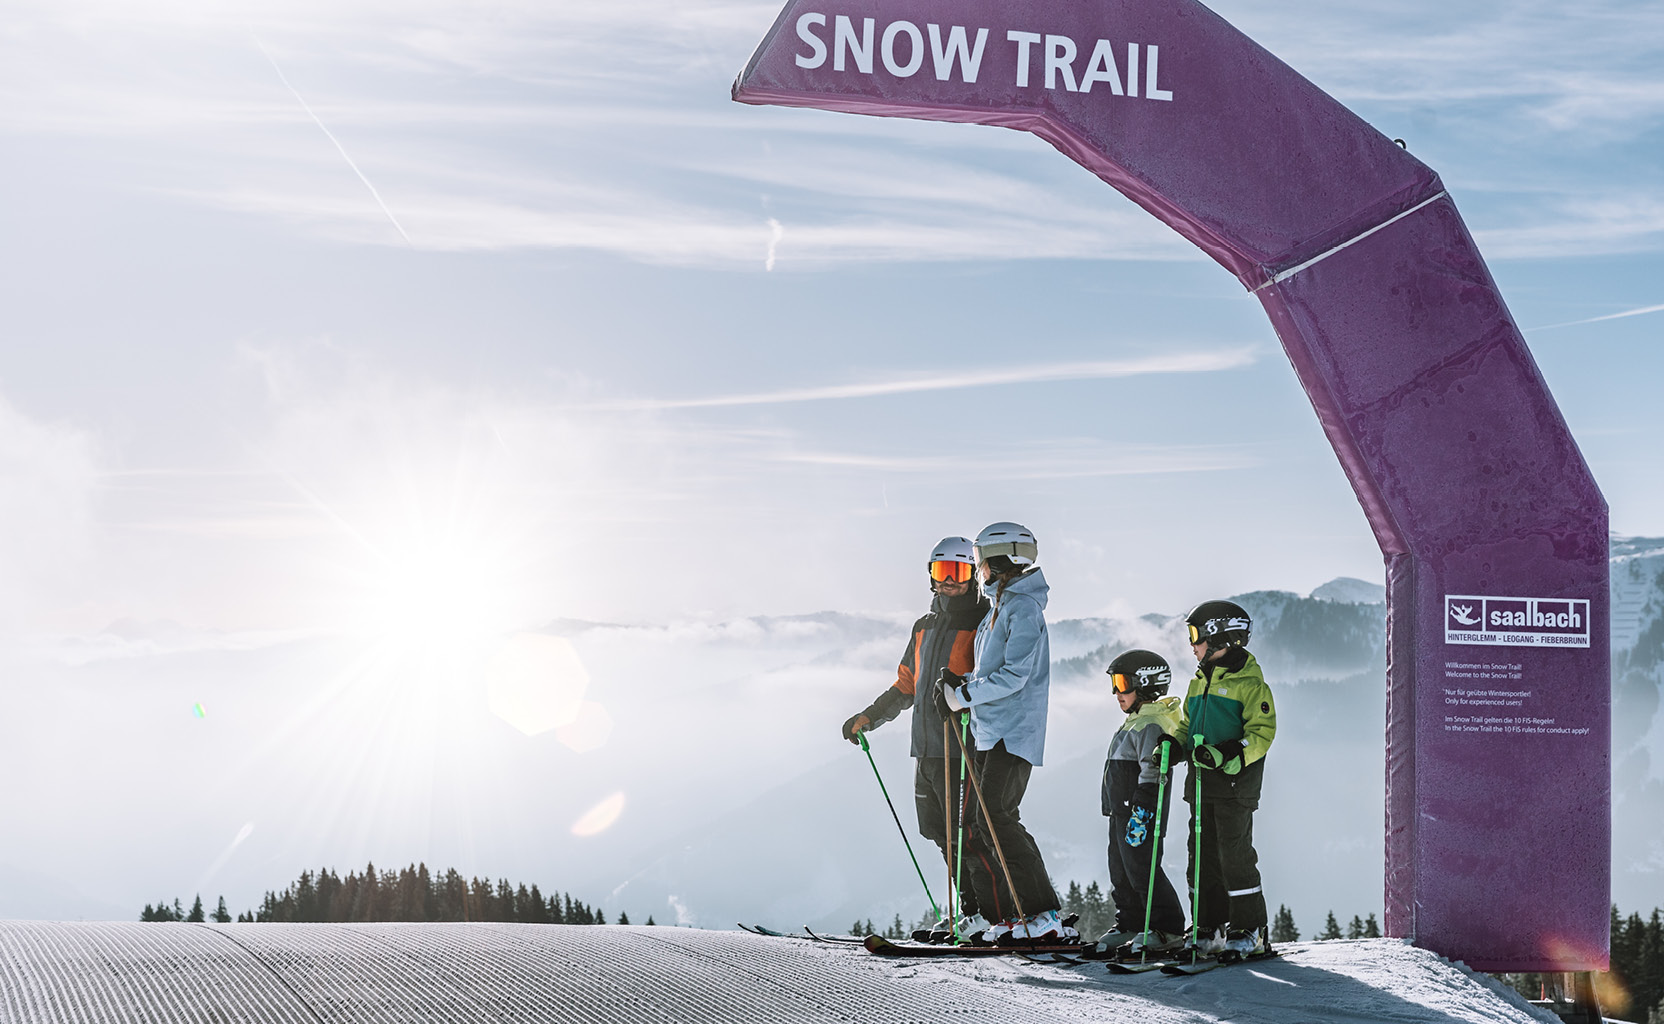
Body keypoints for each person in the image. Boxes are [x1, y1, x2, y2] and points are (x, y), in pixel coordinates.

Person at [842, 536, 993, 940]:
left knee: (969, 835)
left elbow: (988, 685)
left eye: (957, 573)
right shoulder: (924, 627)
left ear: (972, 576)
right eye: (940, 573)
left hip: (963, 747)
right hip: (926, 747)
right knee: (940, 834)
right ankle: (970, 911)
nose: (948, 582)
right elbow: (907, 685)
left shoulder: (983, 623)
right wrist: (870, 717)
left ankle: (988, 915)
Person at [935, 522, 1075, 944]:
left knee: (998, 816)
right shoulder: (1001, 607)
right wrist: (960, 688)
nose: (977, 570)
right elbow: (988, 671)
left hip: (1013, 733)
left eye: (980, 562)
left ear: (1001, 561)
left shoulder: (1023, 610)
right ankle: (1019, 914)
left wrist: (964, 696)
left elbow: (1015, 675)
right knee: (983, 821)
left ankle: (1043, 913)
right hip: (989, 731)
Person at [1172, 599, 1278, 960]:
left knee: (1234, 858)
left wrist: (1231, 753)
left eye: (1195, 634)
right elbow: (1187, 726)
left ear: (1218, 637)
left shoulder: (1249, 684)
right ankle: (1208, 926)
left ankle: (1250, 929)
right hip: (1200, 788)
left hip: (1234, 788)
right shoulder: (1198, 682)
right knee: (1200, 858)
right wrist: (1174, 745)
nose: (1191, 643)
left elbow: (1262, 732)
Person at [1096, 648, 1187, 958]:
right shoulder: (1136, 721)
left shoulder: (1152, 723)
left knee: (1142, 868)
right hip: (1121, 811)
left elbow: (1152, 770)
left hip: (1139, 812)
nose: (1115, 692)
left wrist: (1143, 809)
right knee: (1120, 869)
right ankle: (1132, 922)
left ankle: (1168, 927)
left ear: (1145, 684)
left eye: (1122, 683)